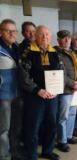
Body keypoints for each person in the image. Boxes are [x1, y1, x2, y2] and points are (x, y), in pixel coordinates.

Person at [19, 25, 62, 160]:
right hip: (35, 97)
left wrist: (56, 90)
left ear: (51, 37)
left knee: (51, 124)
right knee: (33, 127)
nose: (45, 37)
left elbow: (61, 71)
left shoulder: (55, 52)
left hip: (52, 97)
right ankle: (31, 154)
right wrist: (38, 90)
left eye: (47, 34)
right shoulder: (28, 52)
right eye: (42, 34)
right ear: (36, 36)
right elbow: (23, 75)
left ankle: (47, 151)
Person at [55, 30, 77, 152]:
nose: (67, 40)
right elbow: (59, 74)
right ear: (58, 40)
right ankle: (62, 141)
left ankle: (68, 136)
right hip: (65, 90)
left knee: (72, 114)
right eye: (64, 38)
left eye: (68, 38)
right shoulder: (56, 53)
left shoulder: (72, 52)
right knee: (63, 116)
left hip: (75, 89)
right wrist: (73, 83)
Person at [0, 19, 19, 160]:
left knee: (15, 127)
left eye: (14, 31)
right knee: (3, 129)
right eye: (8, 31)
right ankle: (4, 156)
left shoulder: (17, 48)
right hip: (3, 96)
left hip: (17, 94)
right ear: (1, 32)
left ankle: (14, 153)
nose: (12, 33)